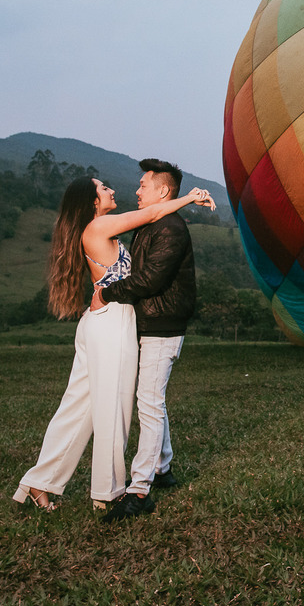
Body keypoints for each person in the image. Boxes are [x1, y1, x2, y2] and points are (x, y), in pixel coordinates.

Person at [13, 175, 215, 512]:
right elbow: (151, 215)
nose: (112, 190)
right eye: (104, 188)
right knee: (114, 411)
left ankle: (38, 483)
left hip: (100, 323)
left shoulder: (99, 228)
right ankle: (106, 494)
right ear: (93, 202)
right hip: (112, 324)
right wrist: (189, 197)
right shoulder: (99, 226)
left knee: (77, 409)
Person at [94, 158, 202, 523]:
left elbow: (151, 279)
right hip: (153, 321)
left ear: (163, 191)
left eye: (143, 185)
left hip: (163, 324)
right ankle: (162, 467)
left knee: (149, 403)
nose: (136, 191)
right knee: (152, 398)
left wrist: (107, 294)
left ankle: (139, 490)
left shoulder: (170, 227)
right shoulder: (152, 224)